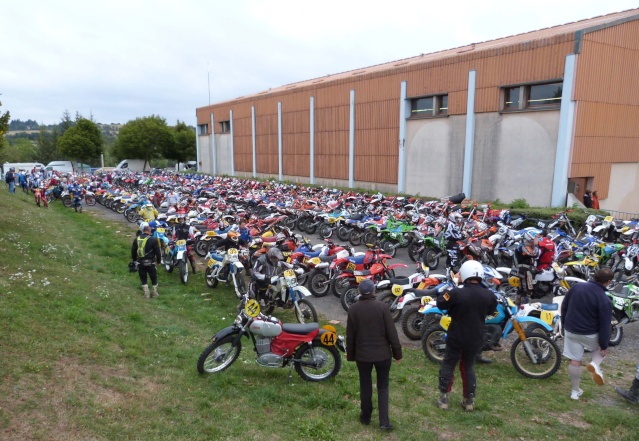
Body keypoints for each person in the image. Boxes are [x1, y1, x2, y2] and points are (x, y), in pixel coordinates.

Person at [436, 260, 498, 412]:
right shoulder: (489, 295)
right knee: (468, 366)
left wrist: (453, 285)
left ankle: (444, 398)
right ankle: (468, 400)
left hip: (457, 333)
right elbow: (491, 311)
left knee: (449, 363)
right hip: (476, 336)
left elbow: (440, 302)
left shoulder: (457, 292)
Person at [346, 279, 402, 431]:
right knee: (383, 387)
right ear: (373, 291)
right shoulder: (382, 307)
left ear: (359, 292)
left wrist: (351, 355)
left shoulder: (353, 309)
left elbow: (350, 335)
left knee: (365, 385)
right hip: (383, 355)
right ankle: (384, 422)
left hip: (363, 356)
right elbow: (392, 333)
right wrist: (397, 353)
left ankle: (365, 417)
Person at [560, 268, 613, 400]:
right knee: (599, 349)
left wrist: (564, 324)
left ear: (594, 277)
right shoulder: (604, 299)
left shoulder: (576, 287)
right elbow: (605, 325)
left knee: (575, 360)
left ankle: (574, 391)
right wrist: (604, 345)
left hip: (571, 330)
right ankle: (595, 364)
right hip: (590, 334)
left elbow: (564, 306)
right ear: (608, 282)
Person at [131, 223, 162, 299]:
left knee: (143, 277)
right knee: (153, 277)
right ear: (149, 231)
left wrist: (135, 260)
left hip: (140, 261)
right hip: (150, 262)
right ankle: (154, 293)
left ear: (143, 230)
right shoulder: (153, 239)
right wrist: (158, 261)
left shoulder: (137, 239)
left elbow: (133, 250)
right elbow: (158, 252)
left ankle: (146, 294)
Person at [513, 231, 539, 306]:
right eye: (532, 241)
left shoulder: (525, 246)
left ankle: (518, 305)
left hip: (526, 269)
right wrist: (536, 245)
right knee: (526, 290)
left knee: (522, 290)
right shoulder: (523, 247)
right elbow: (534, 254)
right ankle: (524, 308)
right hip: (524, 270)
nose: (533, 242)